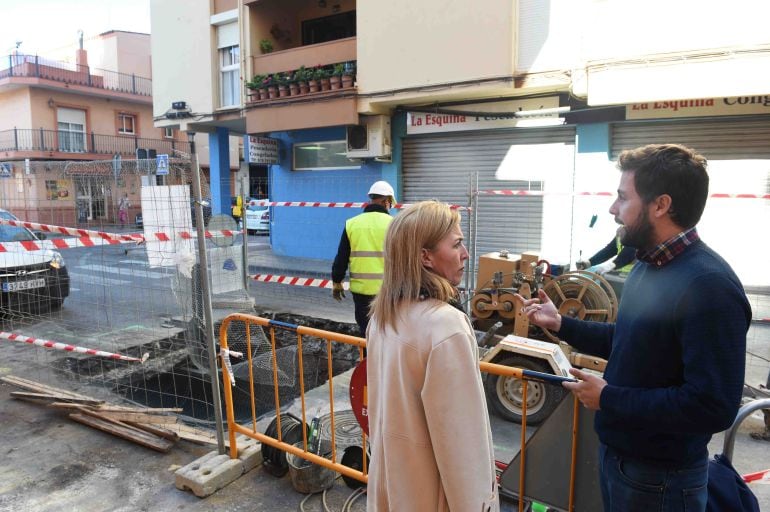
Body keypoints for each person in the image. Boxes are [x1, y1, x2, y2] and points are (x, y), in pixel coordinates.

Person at [519, 144, 751, 512]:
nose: (613, 210)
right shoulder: (648, 265)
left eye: (622, 198)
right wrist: (561, 323)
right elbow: (630, 341)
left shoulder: (709, 286)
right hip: (621, 462)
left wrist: (609, 398)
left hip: (663, 480)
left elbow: (713, 405)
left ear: (660, 205)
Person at [366, 200, 499, 512]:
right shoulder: (445, 327)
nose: (466, 254)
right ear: (425, 257)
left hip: (393, 490)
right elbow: (464, 446)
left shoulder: (382, 318)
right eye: (456, 245)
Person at [331, 181, 395, 336]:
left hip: (361, 293)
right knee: (388, 333)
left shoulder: (352, 224)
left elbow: (342, 257)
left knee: (366, 333)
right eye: (391, 203)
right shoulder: (395, 225)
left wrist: (337, 281)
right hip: (388, 291)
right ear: (386, 201)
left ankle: (367, 359)